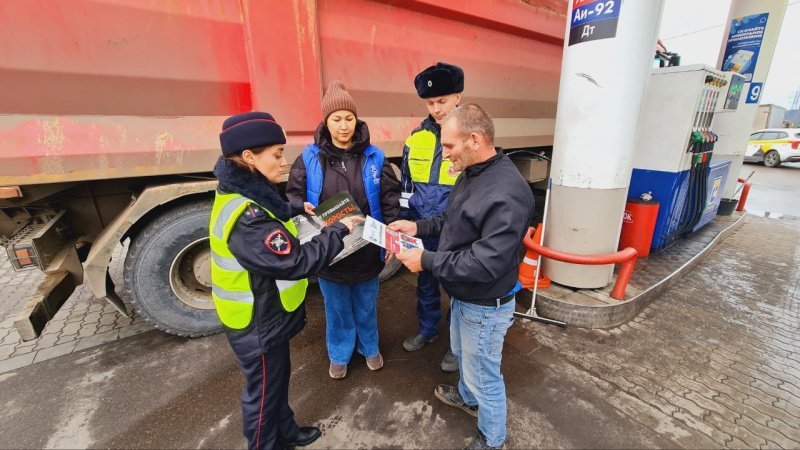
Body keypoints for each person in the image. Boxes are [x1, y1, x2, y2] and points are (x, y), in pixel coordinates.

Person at [210, 111, 363, 450]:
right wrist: (338, 229)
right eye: (277, 154)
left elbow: (271, 212)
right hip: (256, 323)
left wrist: (293, 210)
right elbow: (294, 262)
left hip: (266, 315)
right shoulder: (246, 217)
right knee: (262, 396)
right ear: (249, 157)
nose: (283, 161)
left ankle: (287, 432)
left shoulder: (250, 193)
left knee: (275, 384)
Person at [390, 104, 534, 450]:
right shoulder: (471, 174)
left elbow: (485, 263)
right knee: (462, 354)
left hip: (485, 303)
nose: (445, 153)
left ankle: (492, 438)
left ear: (474, 139)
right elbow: (451, 220)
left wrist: (426, 259)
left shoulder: (506, 192)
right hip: (463, 295)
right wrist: (417, 226)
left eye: (450, 146)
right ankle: (467, 398)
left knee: (484, 374)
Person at [286, 80, 401, 380]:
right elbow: (293, 195)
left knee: (366, 304)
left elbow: (390, 200)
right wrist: (301, 206)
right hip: (330, 250)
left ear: (356, 119)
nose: (343, 126)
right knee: (336, 308)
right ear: (325, 121)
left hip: (367, 248)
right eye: (336, 119)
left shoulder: (374, 157)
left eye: (349, 118)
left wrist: (389, 238)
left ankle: (370, 347)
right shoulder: (309, 158)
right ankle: (339, 353)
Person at [399, 62, 464, 373]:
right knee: (425, 282)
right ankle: (427, 330)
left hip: (458, 231)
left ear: (458, 98)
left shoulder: (470, 138)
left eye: (443, 101)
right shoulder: (415, 139)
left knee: (458, 289)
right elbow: (407, 186)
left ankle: (456, 344)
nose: (437, 109)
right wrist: (404, 221)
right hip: (422, 229)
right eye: (430, 102)